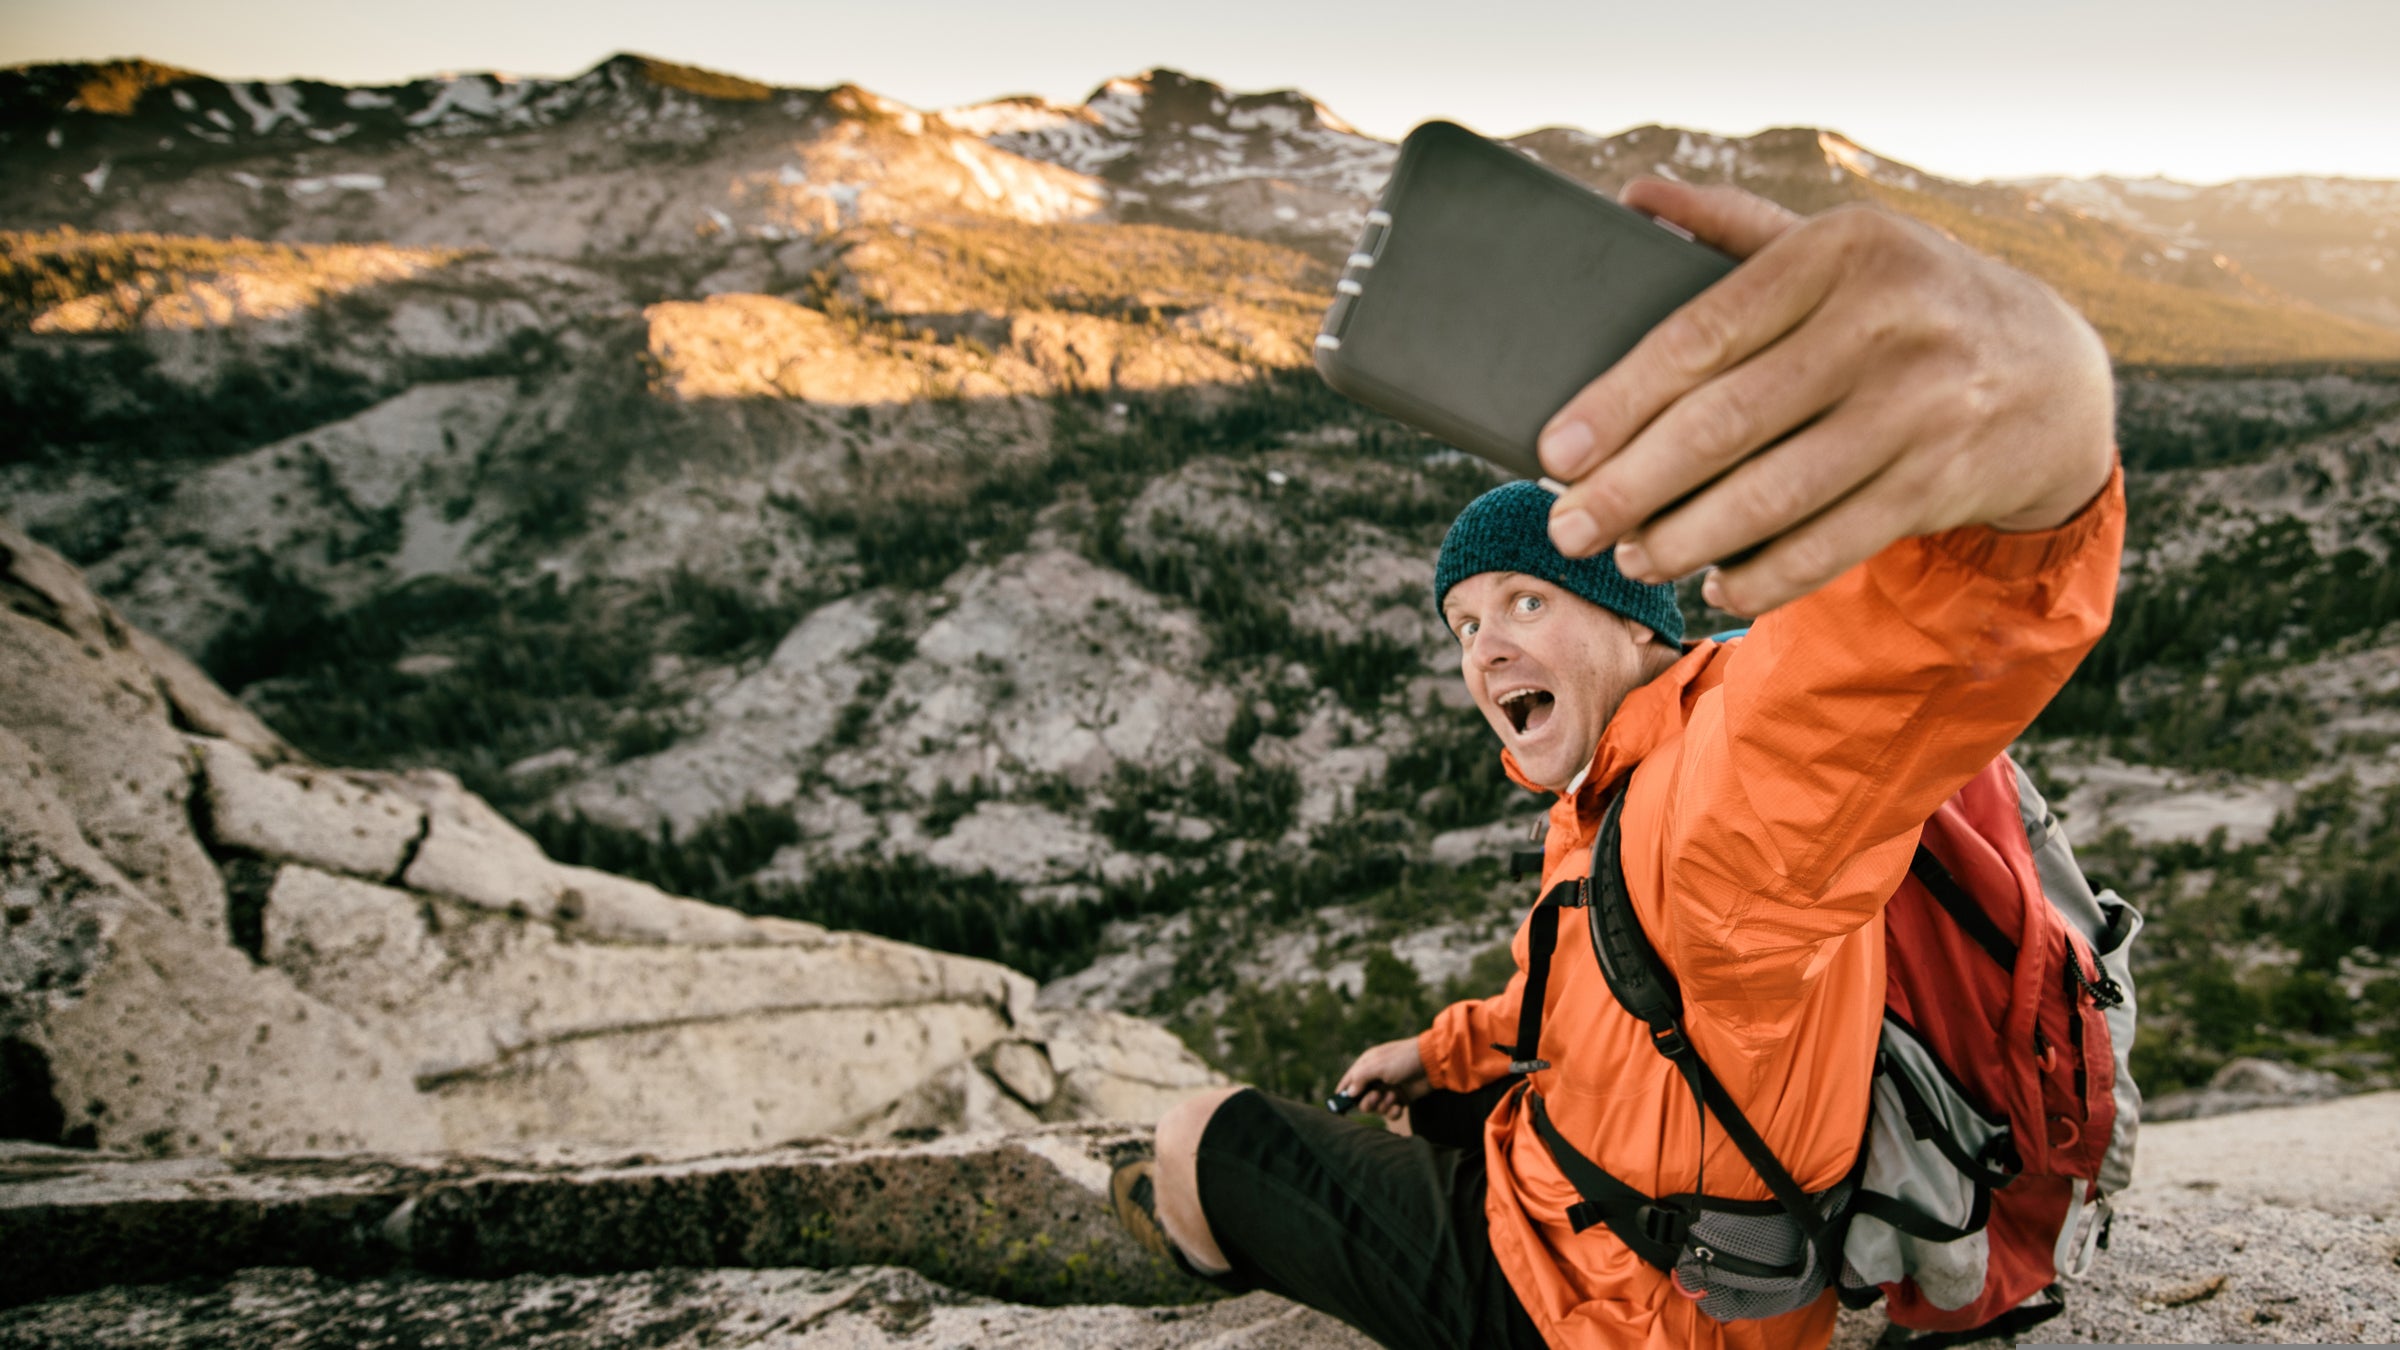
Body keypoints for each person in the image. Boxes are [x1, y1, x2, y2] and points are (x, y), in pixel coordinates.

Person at [1111, 175, 2125, 1350]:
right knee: (1419, 1115)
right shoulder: (1620, 784)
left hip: (1606, 1307)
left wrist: (2035, 417)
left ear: (1640, 620)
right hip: (1621, 1221)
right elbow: (1600, 1000)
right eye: (1464, 627)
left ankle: (1185, 1251)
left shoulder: (1721, 791)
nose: (1486, 648)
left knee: (1196, 1136)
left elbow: (1913, 644)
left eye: (1526, 600)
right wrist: (1444, 1056)